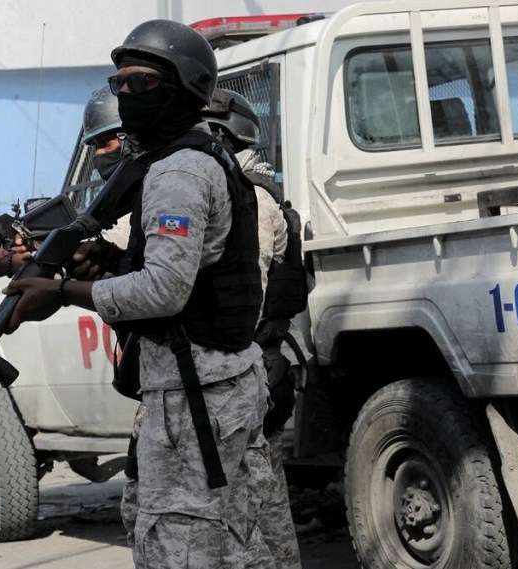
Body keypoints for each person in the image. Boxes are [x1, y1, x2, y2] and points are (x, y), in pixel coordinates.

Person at [3, 20, 274, 567]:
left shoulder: (177, 173)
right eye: (119, 82)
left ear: (184, 87)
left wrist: (61, 293)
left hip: (194, 395)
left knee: (182, 546)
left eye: (142, 82)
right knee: (245, 543)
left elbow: (166, 291)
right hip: (217, 385)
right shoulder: (192, 159)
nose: (125, 95)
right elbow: (188, 270)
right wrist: (111, 260)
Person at [207, 88, 306, 569]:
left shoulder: (248, 199)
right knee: (268, 505)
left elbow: (251, 289)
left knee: (246, 514)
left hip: (241, 374)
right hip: (262, 368)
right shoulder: (264, 193)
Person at [0, 85, 133, 279]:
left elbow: (119, 241)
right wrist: (38, 246)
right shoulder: (116, 198)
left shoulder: (151, 192)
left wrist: (13, 262)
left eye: (106, 142)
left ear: (131, 141)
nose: (98, 154)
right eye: (94, 146)